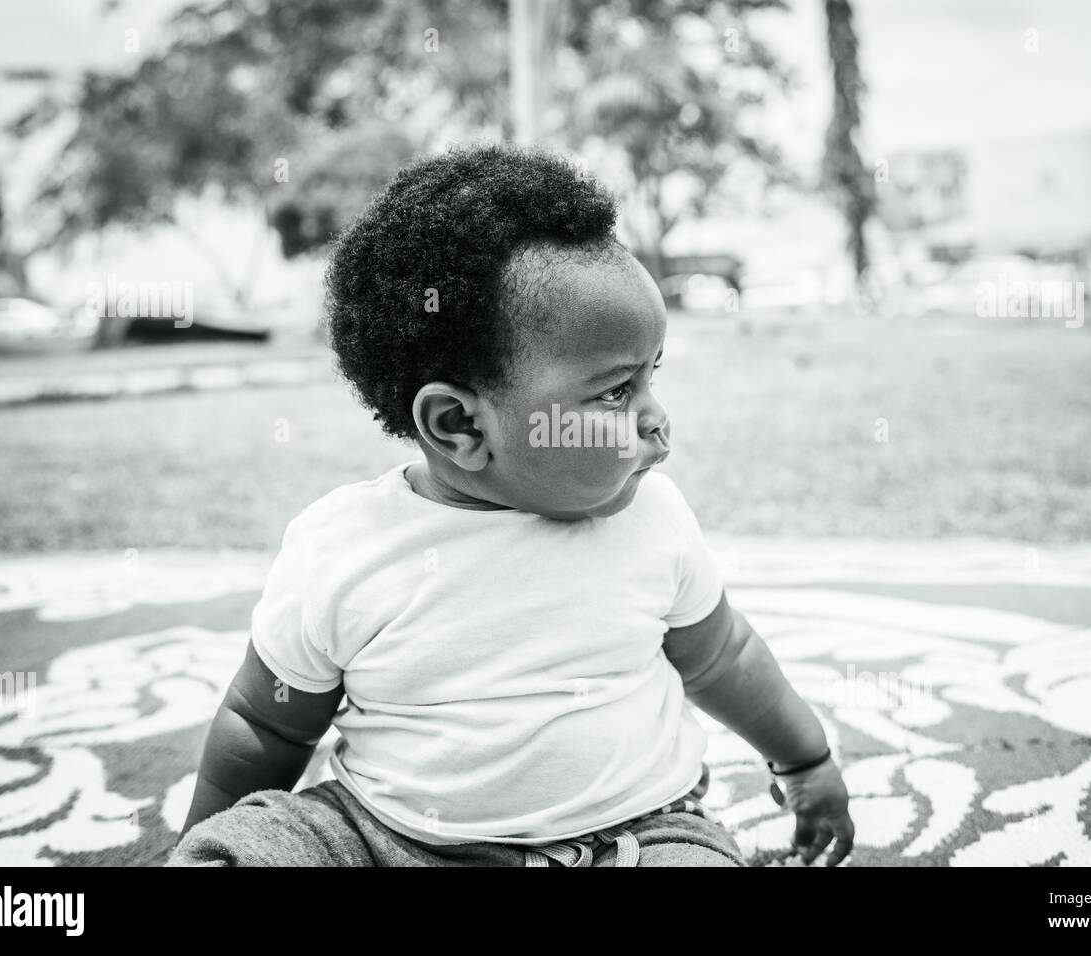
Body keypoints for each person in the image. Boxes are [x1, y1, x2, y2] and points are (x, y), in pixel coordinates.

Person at [166, 143, 854, 867]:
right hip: (388, 840)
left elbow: (722, 657)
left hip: (635, 835)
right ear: (460, 426)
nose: (656, 418)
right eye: (616, 392)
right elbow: (266, 725)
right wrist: (207, 837)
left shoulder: (654, 519)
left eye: (651, 378)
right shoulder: (344, 548)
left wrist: (804, 763)